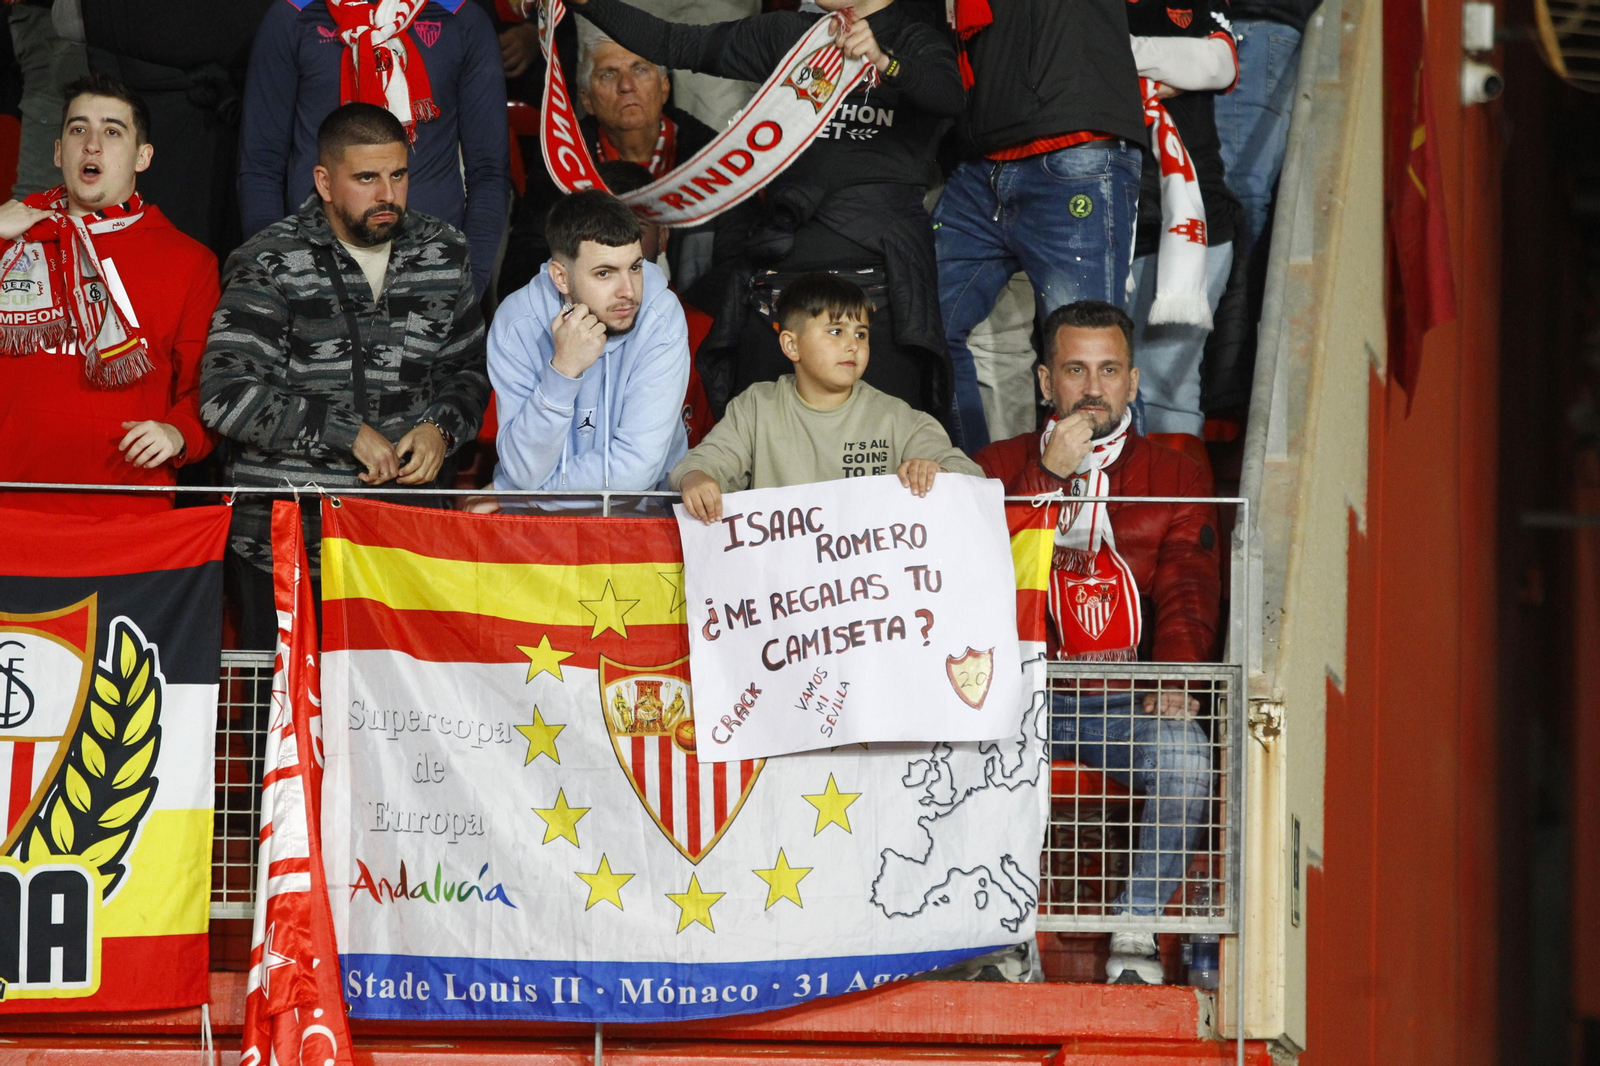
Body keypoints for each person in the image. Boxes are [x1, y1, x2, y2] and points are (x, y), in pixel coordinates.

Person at [568, 0, 962, 427]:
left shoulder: (914, 39)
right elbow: (673, 43)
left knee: (882, 462)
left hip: (880, 290)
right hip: (777, 285)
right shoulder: (791, 35)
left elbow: (949, 96)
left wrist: (886, 62)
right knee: (763, 458)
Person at [975, 300, 1220, 985]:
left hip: (1124, 704)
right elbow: (976, 574)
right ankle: (1003, 935)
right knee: (961, 749)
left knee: (1187, 757)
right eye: (1075, 370)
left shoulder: (1176, 476)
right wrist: (1046, 478)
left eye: (1109, 370)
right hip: (1023, 700)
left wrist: (1175, 678)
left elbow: (1187, 591)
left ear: (1134, 382)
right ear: (1045, 382)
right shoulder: (996, 465)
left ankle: (1136, 934)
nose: (1093, 388)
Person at [201, 103, 489, 647]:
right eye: (366, 178)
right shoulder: (268, 260)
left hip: (403, 543)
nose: (387, 194)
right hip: (285, 550)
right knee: (281, 726)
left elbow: (467, 370)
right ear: (325, 182)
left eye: (398, 175)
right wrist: (346, 432)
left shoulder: (444, 251)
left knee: (393, 728)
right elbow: (225, 395)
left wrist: (441, 429)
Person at [933, 0, 1148, 452]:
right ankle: (982, 491)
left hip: (1075, 147)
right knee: (927, 326)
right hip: (979, 161)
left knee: (1091, 357)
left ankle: (1116, 518)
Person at [0, 72, 219, 516]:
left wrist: (179, 434)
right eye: (78, 129)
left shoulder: (190, 261)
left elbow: (209, 391)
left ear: (143, 156)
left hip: (126, 514)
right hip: (10, 509)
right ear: (59, 150)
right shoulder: (10, 237)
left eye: (112, 131)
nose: (92, 144)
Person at [236, 0, 509, 298]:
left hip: (431, 274)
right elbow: (260, 168)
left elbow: (489, 173)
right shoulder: (292, 17)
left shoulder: (462, 19)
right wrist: (275, 279)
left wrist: (470, 286)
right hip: (313, 276)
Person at [673, 272, 980, 523]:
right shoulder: (756, 407)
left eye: (861, 334)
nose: (852, 345)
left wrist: (939, 472)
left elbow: (969, 473)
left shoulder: (895, 416)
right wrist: (697, 479)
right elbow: (700, 465)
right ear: (791, 346)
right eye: (836, 332)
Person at [478, 188, 688, 502]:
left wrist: (518, 493)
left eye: (634, 267)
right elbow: (524, 468)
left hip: (641, 518)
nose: (628, 291)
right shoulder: (517, 323)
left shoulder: (661, 315)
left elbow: (636, 469)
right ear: (561, 278)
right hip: (541, 529)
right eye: (605, 273)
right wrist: (563, 371)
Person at [1124, 0, 1240, 464]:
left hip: (1195, 219)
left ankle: (1176, 532)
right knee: (1100, 390)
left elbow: (1219, 63)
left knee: (1166, 388)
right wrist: (1171, 62)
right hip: (1104, 213)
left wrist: (1120, 56)